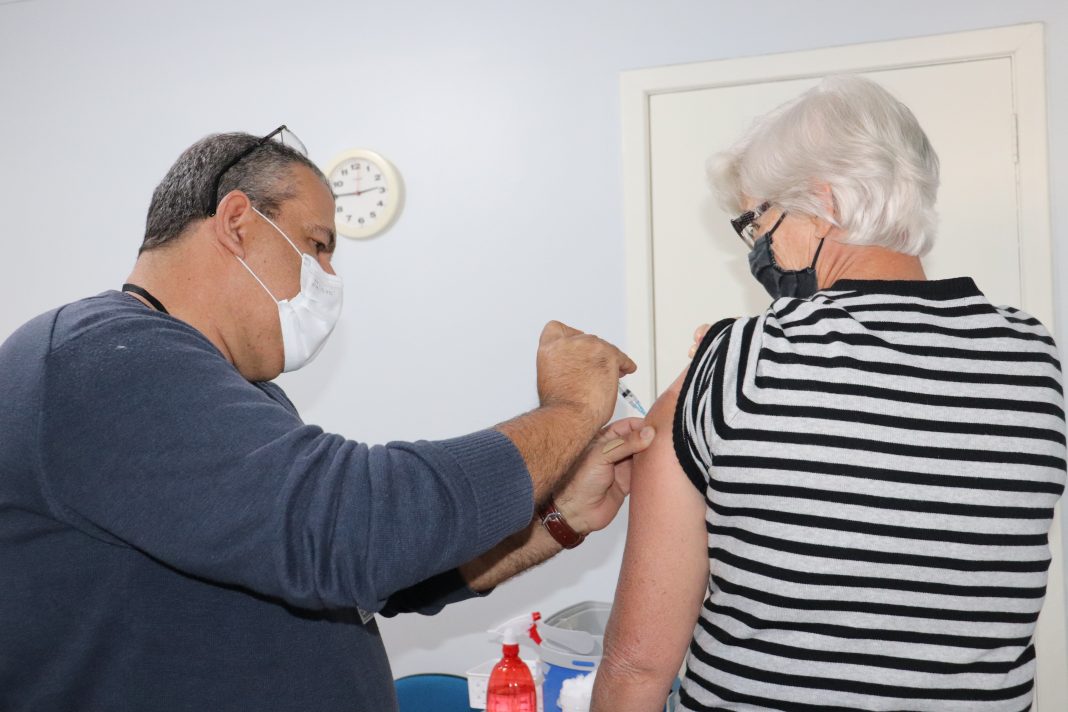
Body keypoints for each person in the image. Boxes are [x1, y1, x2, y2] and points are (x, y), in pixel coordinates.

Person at [0, 127, 654, 711]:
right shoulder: (102, 357)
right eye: (317, 245)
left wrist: (558, 516)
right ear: (237, 222)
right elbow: (360, 527)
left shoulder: (239, 390)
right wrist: (570, 411)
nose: (328, 276)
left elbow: (376, 574)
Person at [593, 75, 1066, 711]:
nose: (757, 250)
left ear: (826, 204)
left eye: (758, 221)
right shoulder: (1033, 355)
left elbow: (637, 666)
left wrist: (726, 357)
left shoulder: (737, 363)